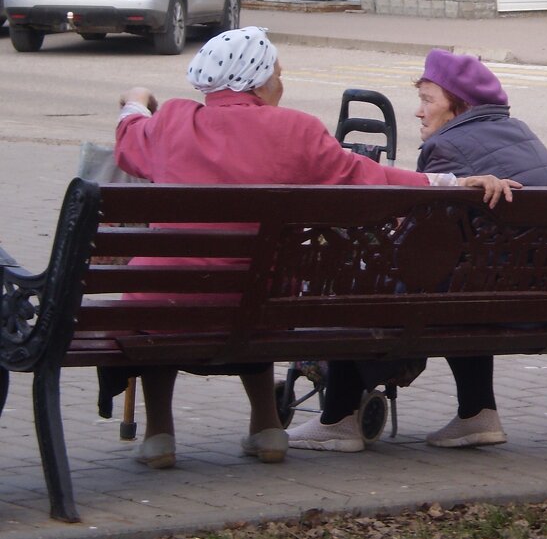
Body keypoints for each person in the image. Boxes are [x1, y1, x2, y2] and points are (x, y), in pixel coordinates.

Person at [111, 27, 518, 469]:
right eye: (277, 75)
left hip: (166, 303)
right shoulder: (294, 129)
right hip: (260, 303)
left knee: (160, 292)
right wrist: (451, 182)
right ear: (257, 81)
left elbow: (129, 144)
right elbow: (367, 177)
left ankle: (158, 435)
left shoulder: (170, 120)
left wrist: (135, 101)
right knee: (255, 284)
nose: (281, 83)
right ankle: (267, 427)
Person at [287, 49, 547, 452]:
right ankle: (477, 412)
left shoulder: (446, 147)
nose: (419, 111)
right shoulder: (518, 132)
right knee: (467, 281)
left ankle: (338, 420)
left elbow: (417, 249)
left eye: (428, 100)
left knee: (363, 286)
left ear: (459, 105)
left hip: (495, 295)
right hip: (544, 295)